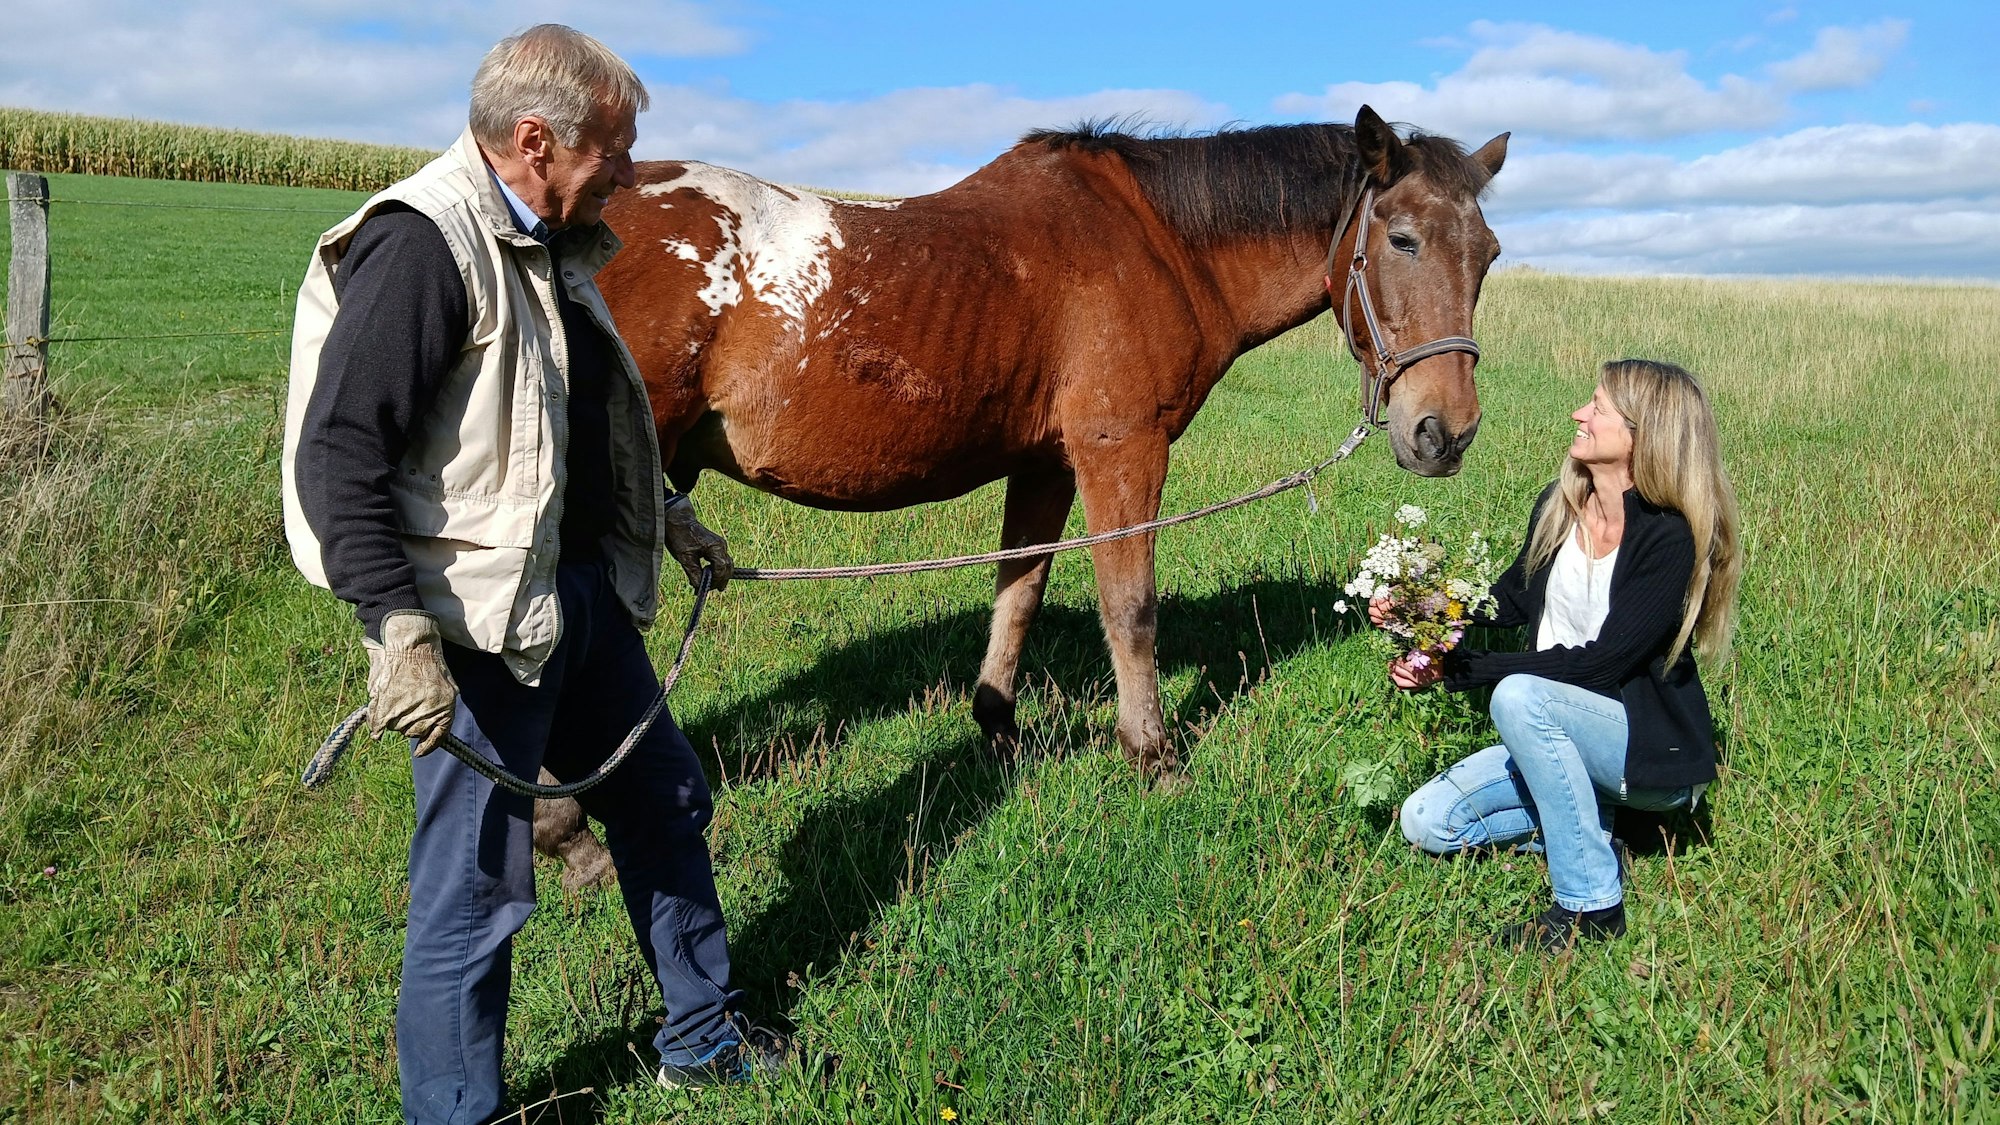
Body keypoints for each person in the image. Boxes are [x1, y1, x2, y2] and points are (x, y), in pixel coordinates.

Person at [280, 25, 783, 1120]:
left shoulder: (554, 243)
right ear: (536, 141)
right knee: (473, 892)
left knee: (664, 800)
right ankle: (456, 1113)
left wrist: (670, 514)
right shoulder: (424, 246)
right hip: (480, 626)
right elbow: (340, 455)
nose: (631, 171)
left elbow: (563, 423)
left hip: (579, 595)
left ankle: (700, 1037)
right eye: (617, 147)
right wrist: (396, 633)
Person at [1388, 359, 1741, 951]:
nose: (1580, 413)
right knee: (1427, 821)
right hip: (1555, 734)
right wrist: (1419, 608)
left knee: (1518, 695)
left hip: (1642, 750)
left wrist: (1467, 670)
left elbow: (1601, 665)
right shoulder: (1561, 504)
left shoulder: (1668, 537)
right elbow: (1509, 600)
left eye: (1598, 408)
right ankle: (1595, 830)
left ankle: (1591, 905)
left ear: (1642, 435)